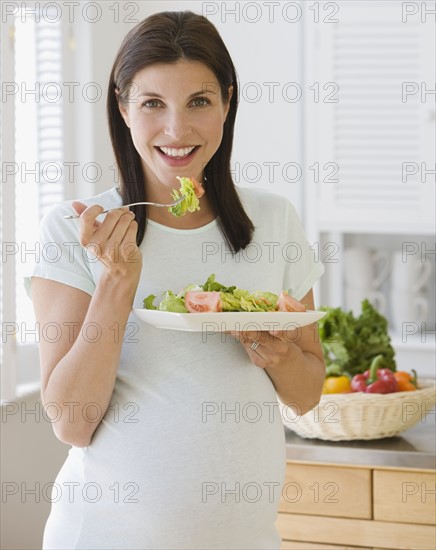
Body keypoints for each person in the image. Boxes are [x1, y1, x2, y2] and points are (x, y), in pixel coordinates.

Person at [25, 10, 325, 550]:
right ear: (122, 108)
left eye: (199, 102)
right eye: (152, 104)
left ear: (228, 103)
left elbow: (306, 396)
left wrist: (279, 355)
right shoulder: (74, 229)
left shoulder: (274, 221)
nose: (177, 130)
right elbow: (71, 422)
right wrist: (117, 283)